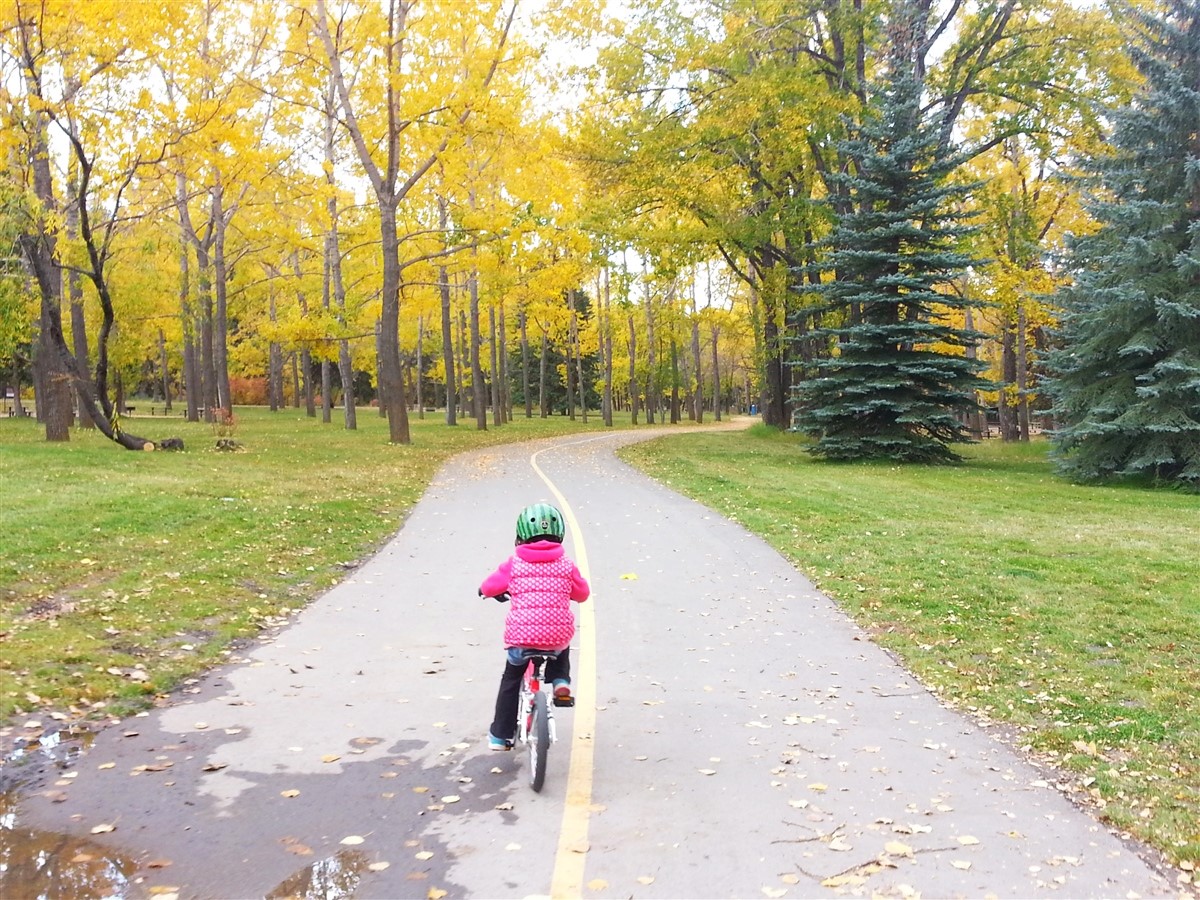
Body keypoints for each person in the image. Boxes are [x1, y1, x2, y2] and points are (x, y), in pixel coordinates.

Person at [479, 502, 590, 751]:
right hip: (555, 637)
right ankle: (561, 681)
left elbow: (490, 586)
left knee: (511, 678)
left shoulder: (514, 563)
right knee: (562, 639)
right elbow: (582, 594)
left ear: (520, 535)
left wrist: (484, 591)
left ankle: (500, 736)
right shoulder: (566, 565)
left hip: (521, 638)